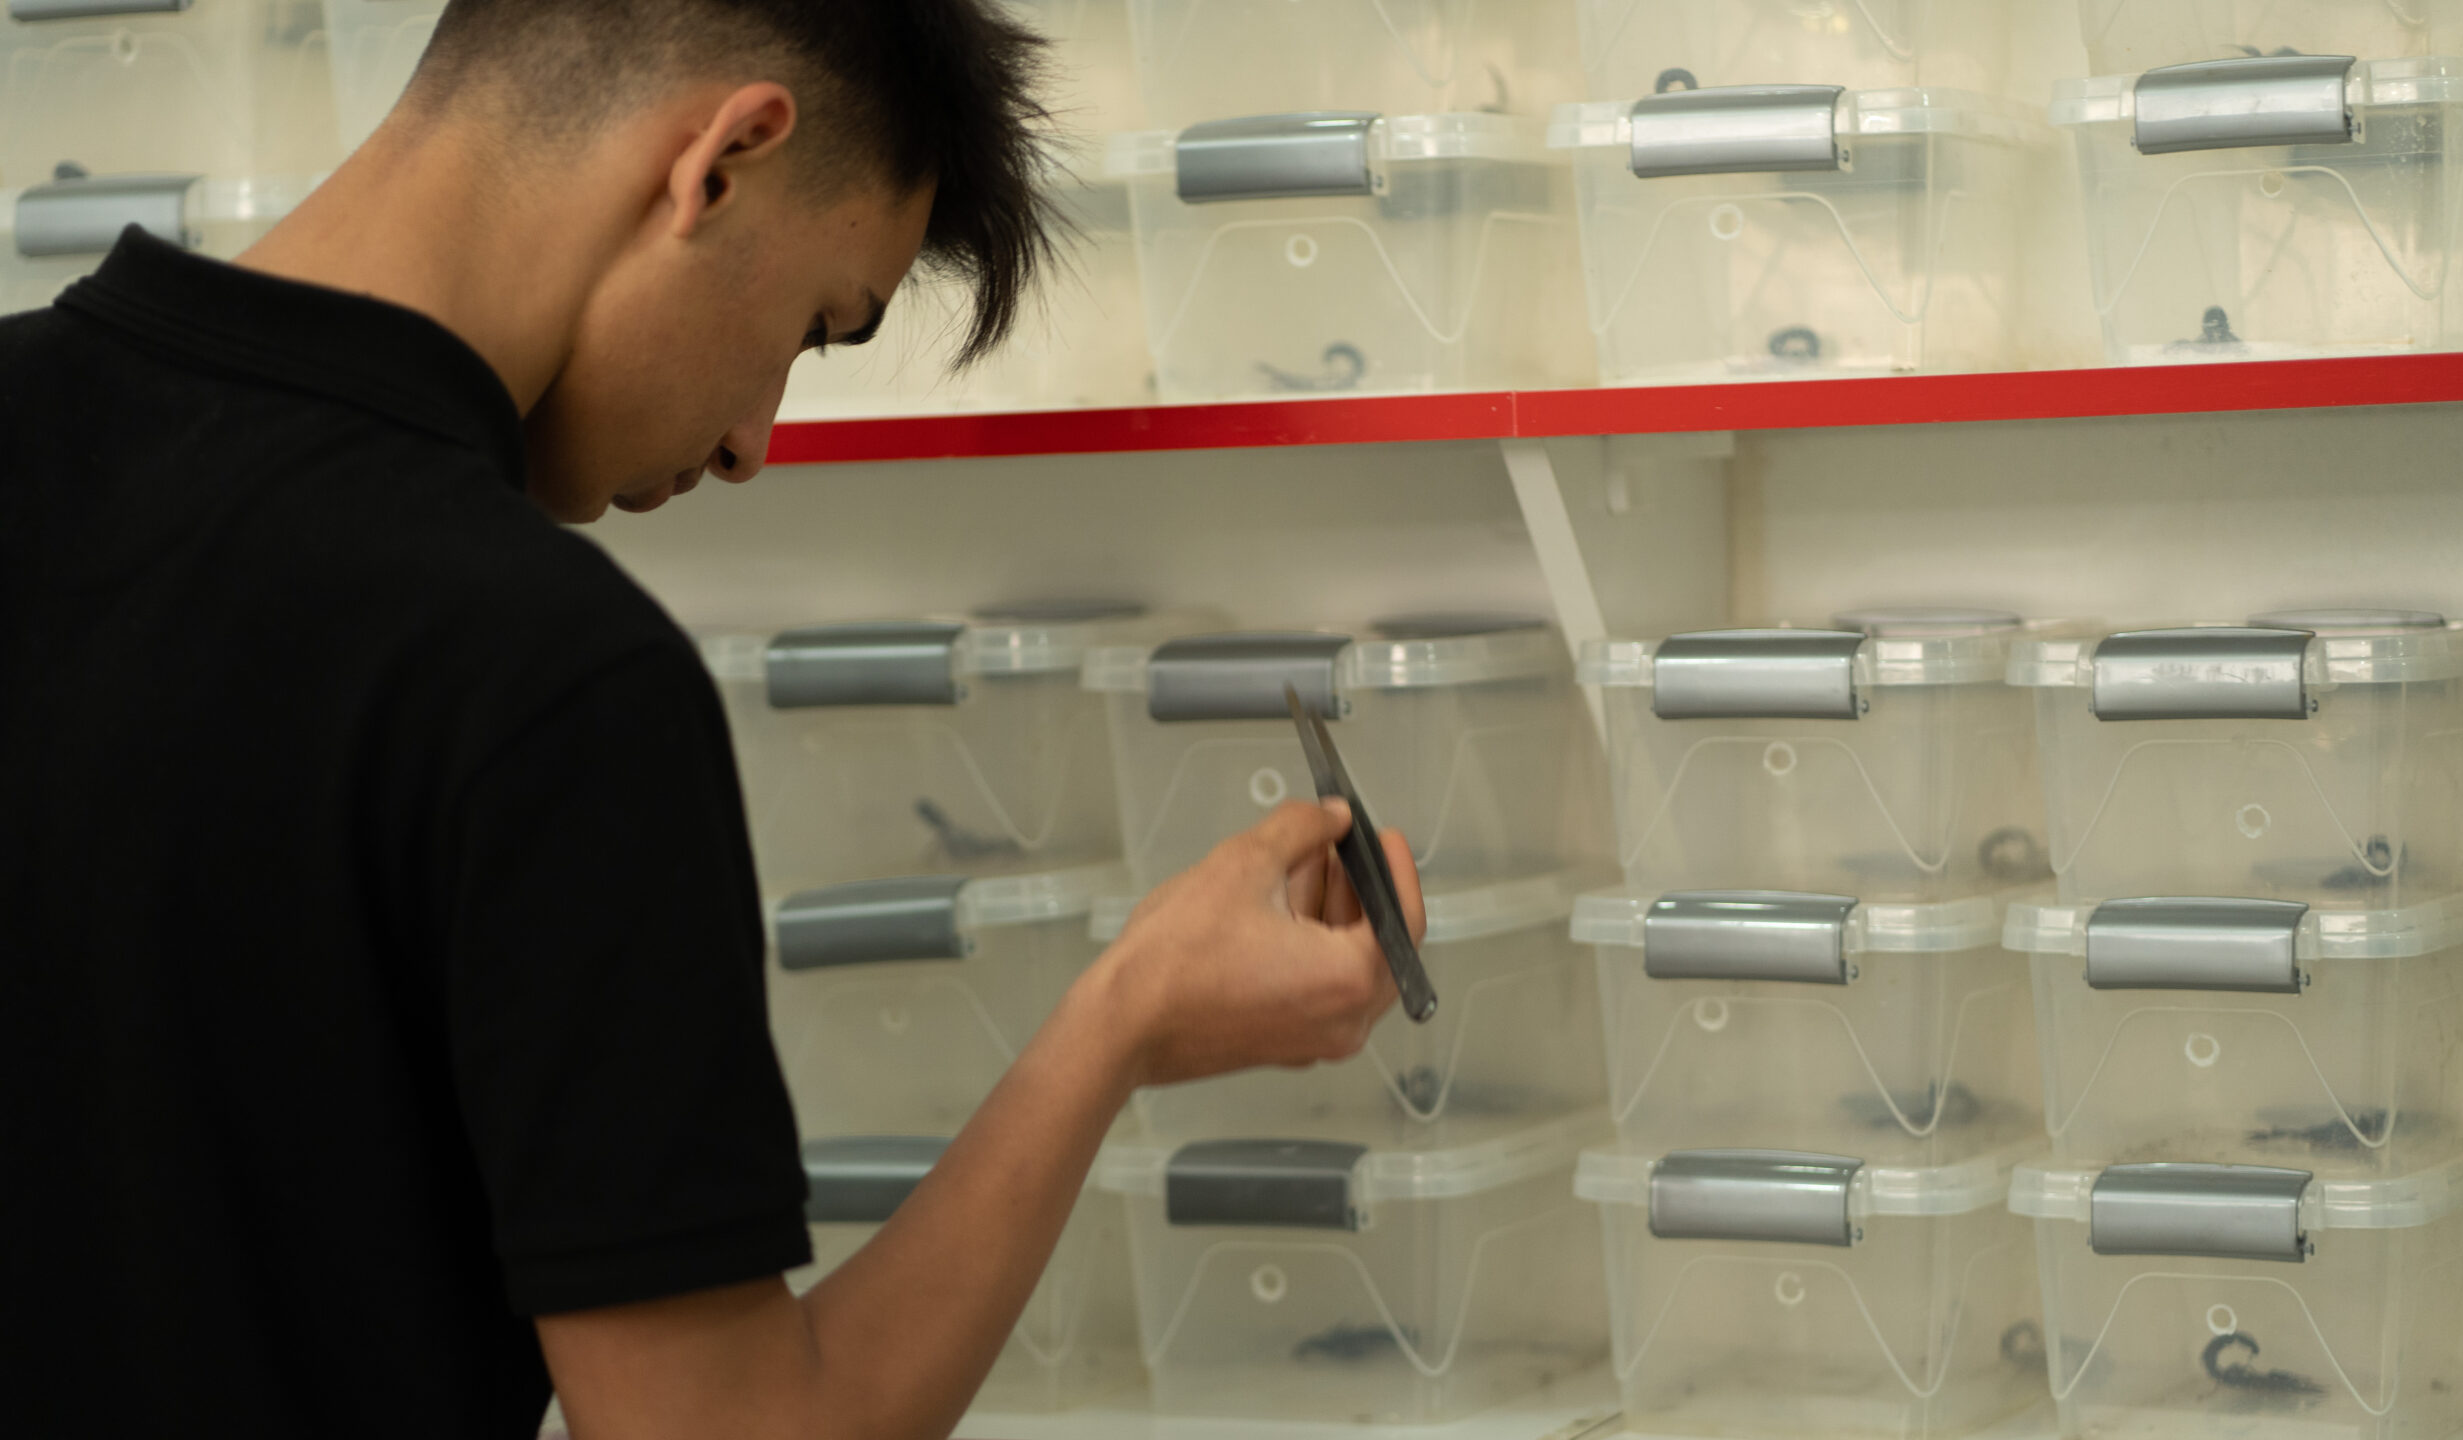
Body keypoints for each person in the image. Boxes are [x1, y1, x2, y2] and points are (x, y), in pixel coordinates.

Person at [0, 2, 1422, 1436]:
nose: (752, 443)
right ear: (723, 160)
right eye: (812, 327)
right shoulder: (545, 676)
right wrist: (1119, 1027)